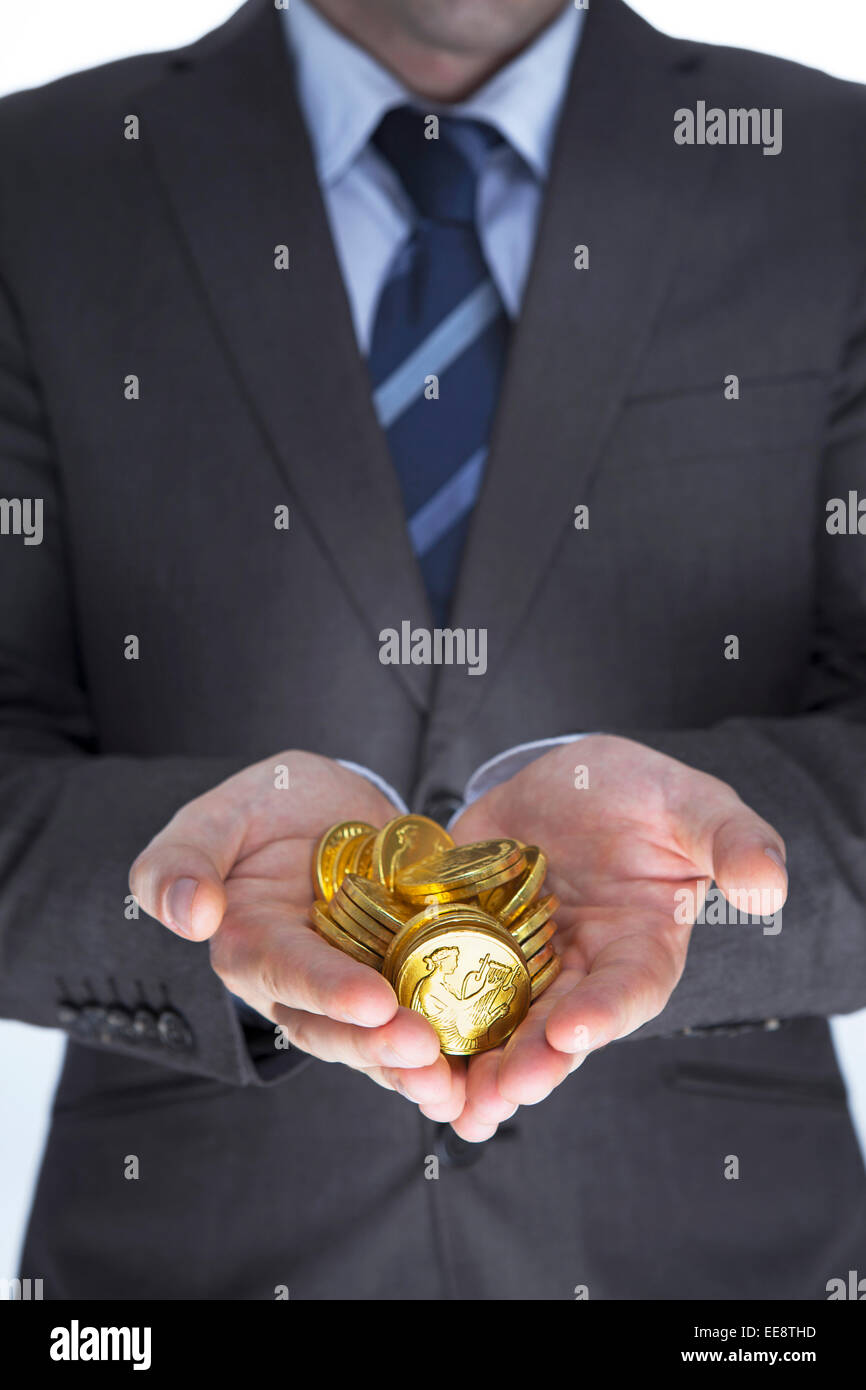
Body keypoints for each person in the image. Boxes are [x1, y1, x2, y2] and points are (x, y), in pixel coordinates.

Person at [1, 0, 865, 1300]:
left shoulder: (829, 168)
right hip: (193, 1264)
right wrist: (220, 908)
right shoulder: (42, 179)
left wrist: (671, 900)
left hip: (716, 1269)